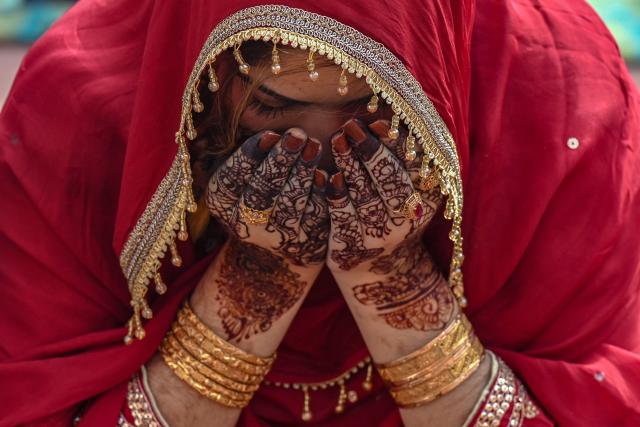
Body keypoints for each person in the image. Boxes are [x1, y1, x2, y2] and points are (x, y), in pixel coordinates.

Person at [1, 1, 638, 426]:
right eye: (273, 112)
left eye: (376, 115)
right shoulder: (82, 116)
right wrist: (258, 276)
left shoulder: (559, 106)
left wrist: (390, 279)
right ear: (204, 79)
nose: (328, 164)